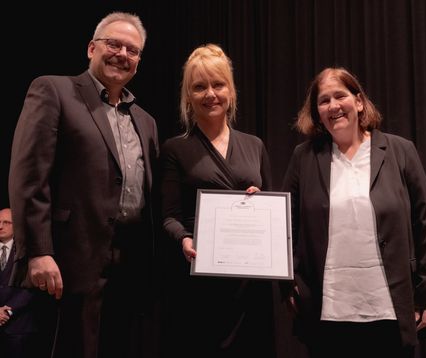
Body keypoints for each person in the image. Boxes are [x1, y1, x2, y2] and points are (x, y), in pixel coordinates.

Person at [8, 12, 159, 358]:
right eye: (114, 44)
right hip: (66, 262)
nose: (122, 53)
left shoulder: (146, 121)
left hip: (128, 264)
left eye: (132, 50)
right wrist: (37, 250)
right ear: (92, 48)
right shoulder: (54, 90)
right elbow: (29, 175)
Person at [281, 67, 426, 358]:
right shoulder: (304, 158)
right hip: (327, 310)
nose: (333, 106)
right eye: (324, 100)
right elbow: (285, 224)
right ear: (317, 112)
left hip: (387, 308)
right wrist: (287, 285)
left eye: (340, 96)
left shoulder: (400, 151)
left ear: (358, 101)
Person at [160, 43, 276, 358]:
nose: (210, 94)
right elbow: (168, 215)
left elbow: (274, 211)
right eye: (199, 87)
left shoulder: (255, 145)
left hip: (250, 285)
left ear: (231, 91)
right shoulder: (175, 149)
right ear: (188, 96)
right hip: (199, 283)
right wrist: (184, 239)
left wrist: (261, 205)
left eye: (218, 84)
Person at [0, 208, 39, 358]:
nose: (0, 226)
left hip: (19, 327)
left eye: (6, 222)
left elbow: (30, 288)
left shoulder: (28, 252)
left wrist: (7, 312)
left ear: (17, 226)